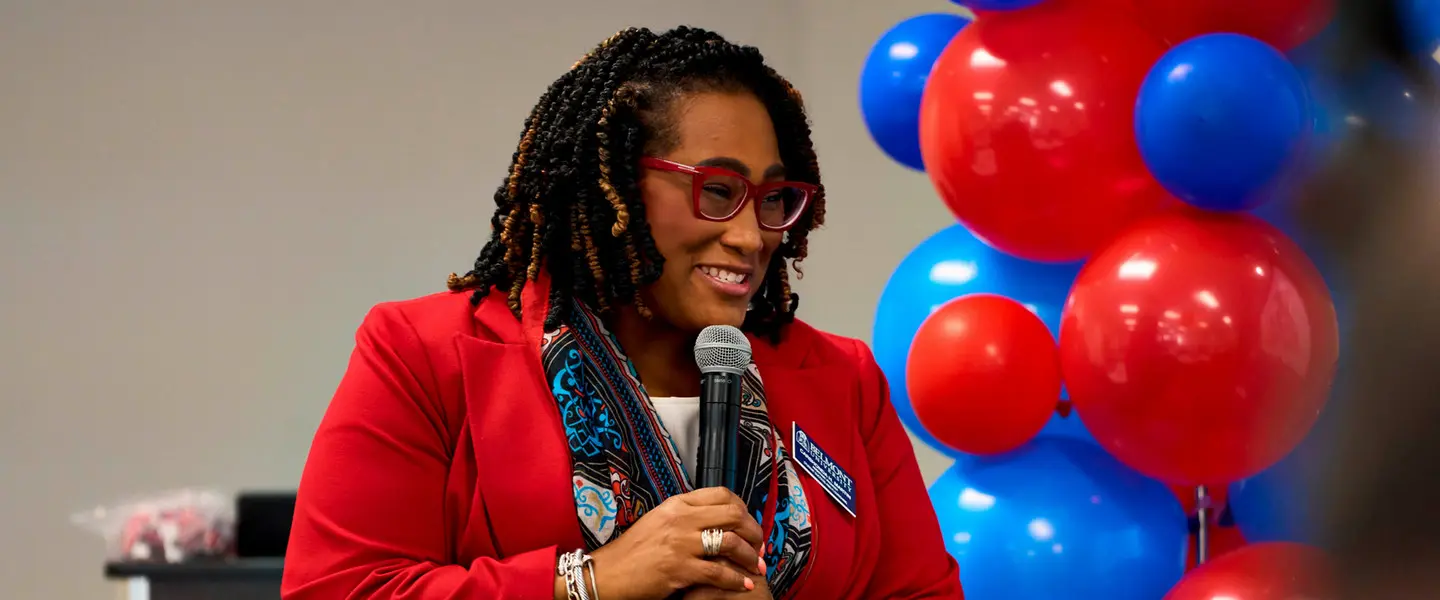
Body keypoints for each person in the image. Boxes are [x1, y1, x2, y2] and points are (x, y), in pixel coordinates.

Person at [281, 26, 962, 600]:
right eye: (717, 190)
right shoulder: (424, 353)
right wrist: (592, 581)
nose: (751, 235)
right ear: (614, 185)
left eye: (773, 199)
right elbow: (337, 589)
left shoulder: (843, 380)